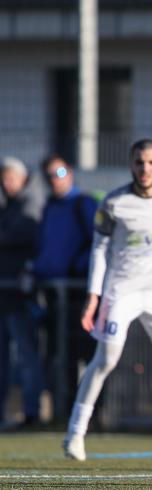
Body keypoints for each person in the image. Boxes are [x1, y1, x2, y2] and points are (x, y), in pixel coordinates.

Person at [62, 139, 152, 460]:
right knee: (106, 360)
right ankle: (75, 432)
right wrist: (94, 296)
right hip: (121, 291)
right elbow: (99, 251)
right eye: (140, 162)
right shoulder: (114, 203)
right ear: (132, 164)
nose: (145, 169)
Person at [31, 153, 99, 417]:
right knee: (63, 356)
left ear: (70, 173)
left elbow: (97, 243)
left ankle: (93, 412)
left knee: (89, 355)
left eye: (59, 174)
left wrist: (75, 269)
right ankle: (67, 412)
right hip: (54, 293)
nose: (54, 181)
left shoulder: (83, 204)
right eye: (49, 176)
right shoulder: (49, 207)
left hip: (78, 292)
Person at [0, 157, 42, 426]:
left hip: (20, 297)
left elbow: (19, 235)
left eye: (11, 178)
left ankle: (32, 412)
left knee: (27, 355)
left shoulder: (30, 204)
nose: (6, 183)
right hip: (4, 296)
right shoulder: (8, 206)